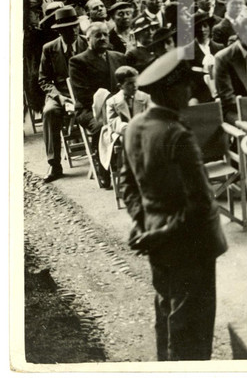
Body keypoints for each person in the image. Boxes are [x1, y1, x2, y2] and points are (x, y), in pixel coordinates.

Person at [119, 48, 228, 361]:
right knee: (192, 329)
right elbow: (201, 204)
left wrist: (144, 224)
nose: (190, 90)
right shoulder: (178, 135)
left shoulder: (135, 127)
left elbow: (128, 186)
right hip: (191, 245)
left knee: (166, 314)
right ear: (168, 90)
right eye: (184, 84)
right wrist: (164, 233)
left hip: (157, 241)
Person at [69, 22, 126, 188]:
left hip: (119, 106)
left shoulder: (118, 57)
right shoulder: (78, 61)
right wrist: (111, 105)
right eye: (98, 35)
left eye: (105, 35)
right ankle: (104, 169)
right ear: (88, 39)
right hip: (90, 110)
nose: (103, 38)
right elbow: (83, 94)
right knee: (102, 127)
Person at [38, 6, 88, 182]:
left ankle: (102, 157)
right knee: (49, 112)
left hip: (85, 92)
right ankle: (54, 164)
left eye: (75, 26)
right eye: (67, 29)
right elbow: (43, 80)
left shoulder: (87, 43)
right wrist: (59, 96)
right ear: (59, 31)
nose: (73, 31)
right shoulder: (49, 49)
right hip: (61, 93)